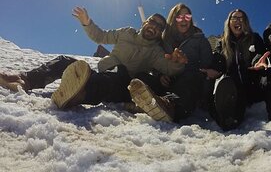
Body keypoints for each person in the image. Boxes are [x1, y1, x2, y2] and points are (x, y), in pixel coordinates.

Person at [0, 7, 187, 110]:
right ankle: (25, 79)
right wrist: (87, 22)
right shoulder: (126, 33)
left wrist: (178, 64)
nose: (154, 26)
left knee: (118, 76)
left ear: (160, 32)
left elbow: (168, 68)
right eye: (152, 21)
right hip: (104, 73)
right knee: (65, 61)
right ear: (145, 23)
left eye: (159, 26)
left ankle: (80, 93)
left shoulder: (155, 52)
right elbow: (101, 36)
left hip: (123, 83)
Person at [128, 3, 217, 122]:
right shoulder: (164, 40)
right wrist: (160, 75)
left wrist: (188, 65)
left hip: (189, 84)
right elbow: (156, 63)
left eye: (187, 16)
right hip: (168, 83)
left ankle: (169, 106)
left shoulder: (199, 39)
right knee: (141, 77)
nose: (184, 20)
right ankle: (150, 103)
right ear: (173, 19)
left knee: (187, 82)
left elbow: (207, 63)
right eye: (180, 16)